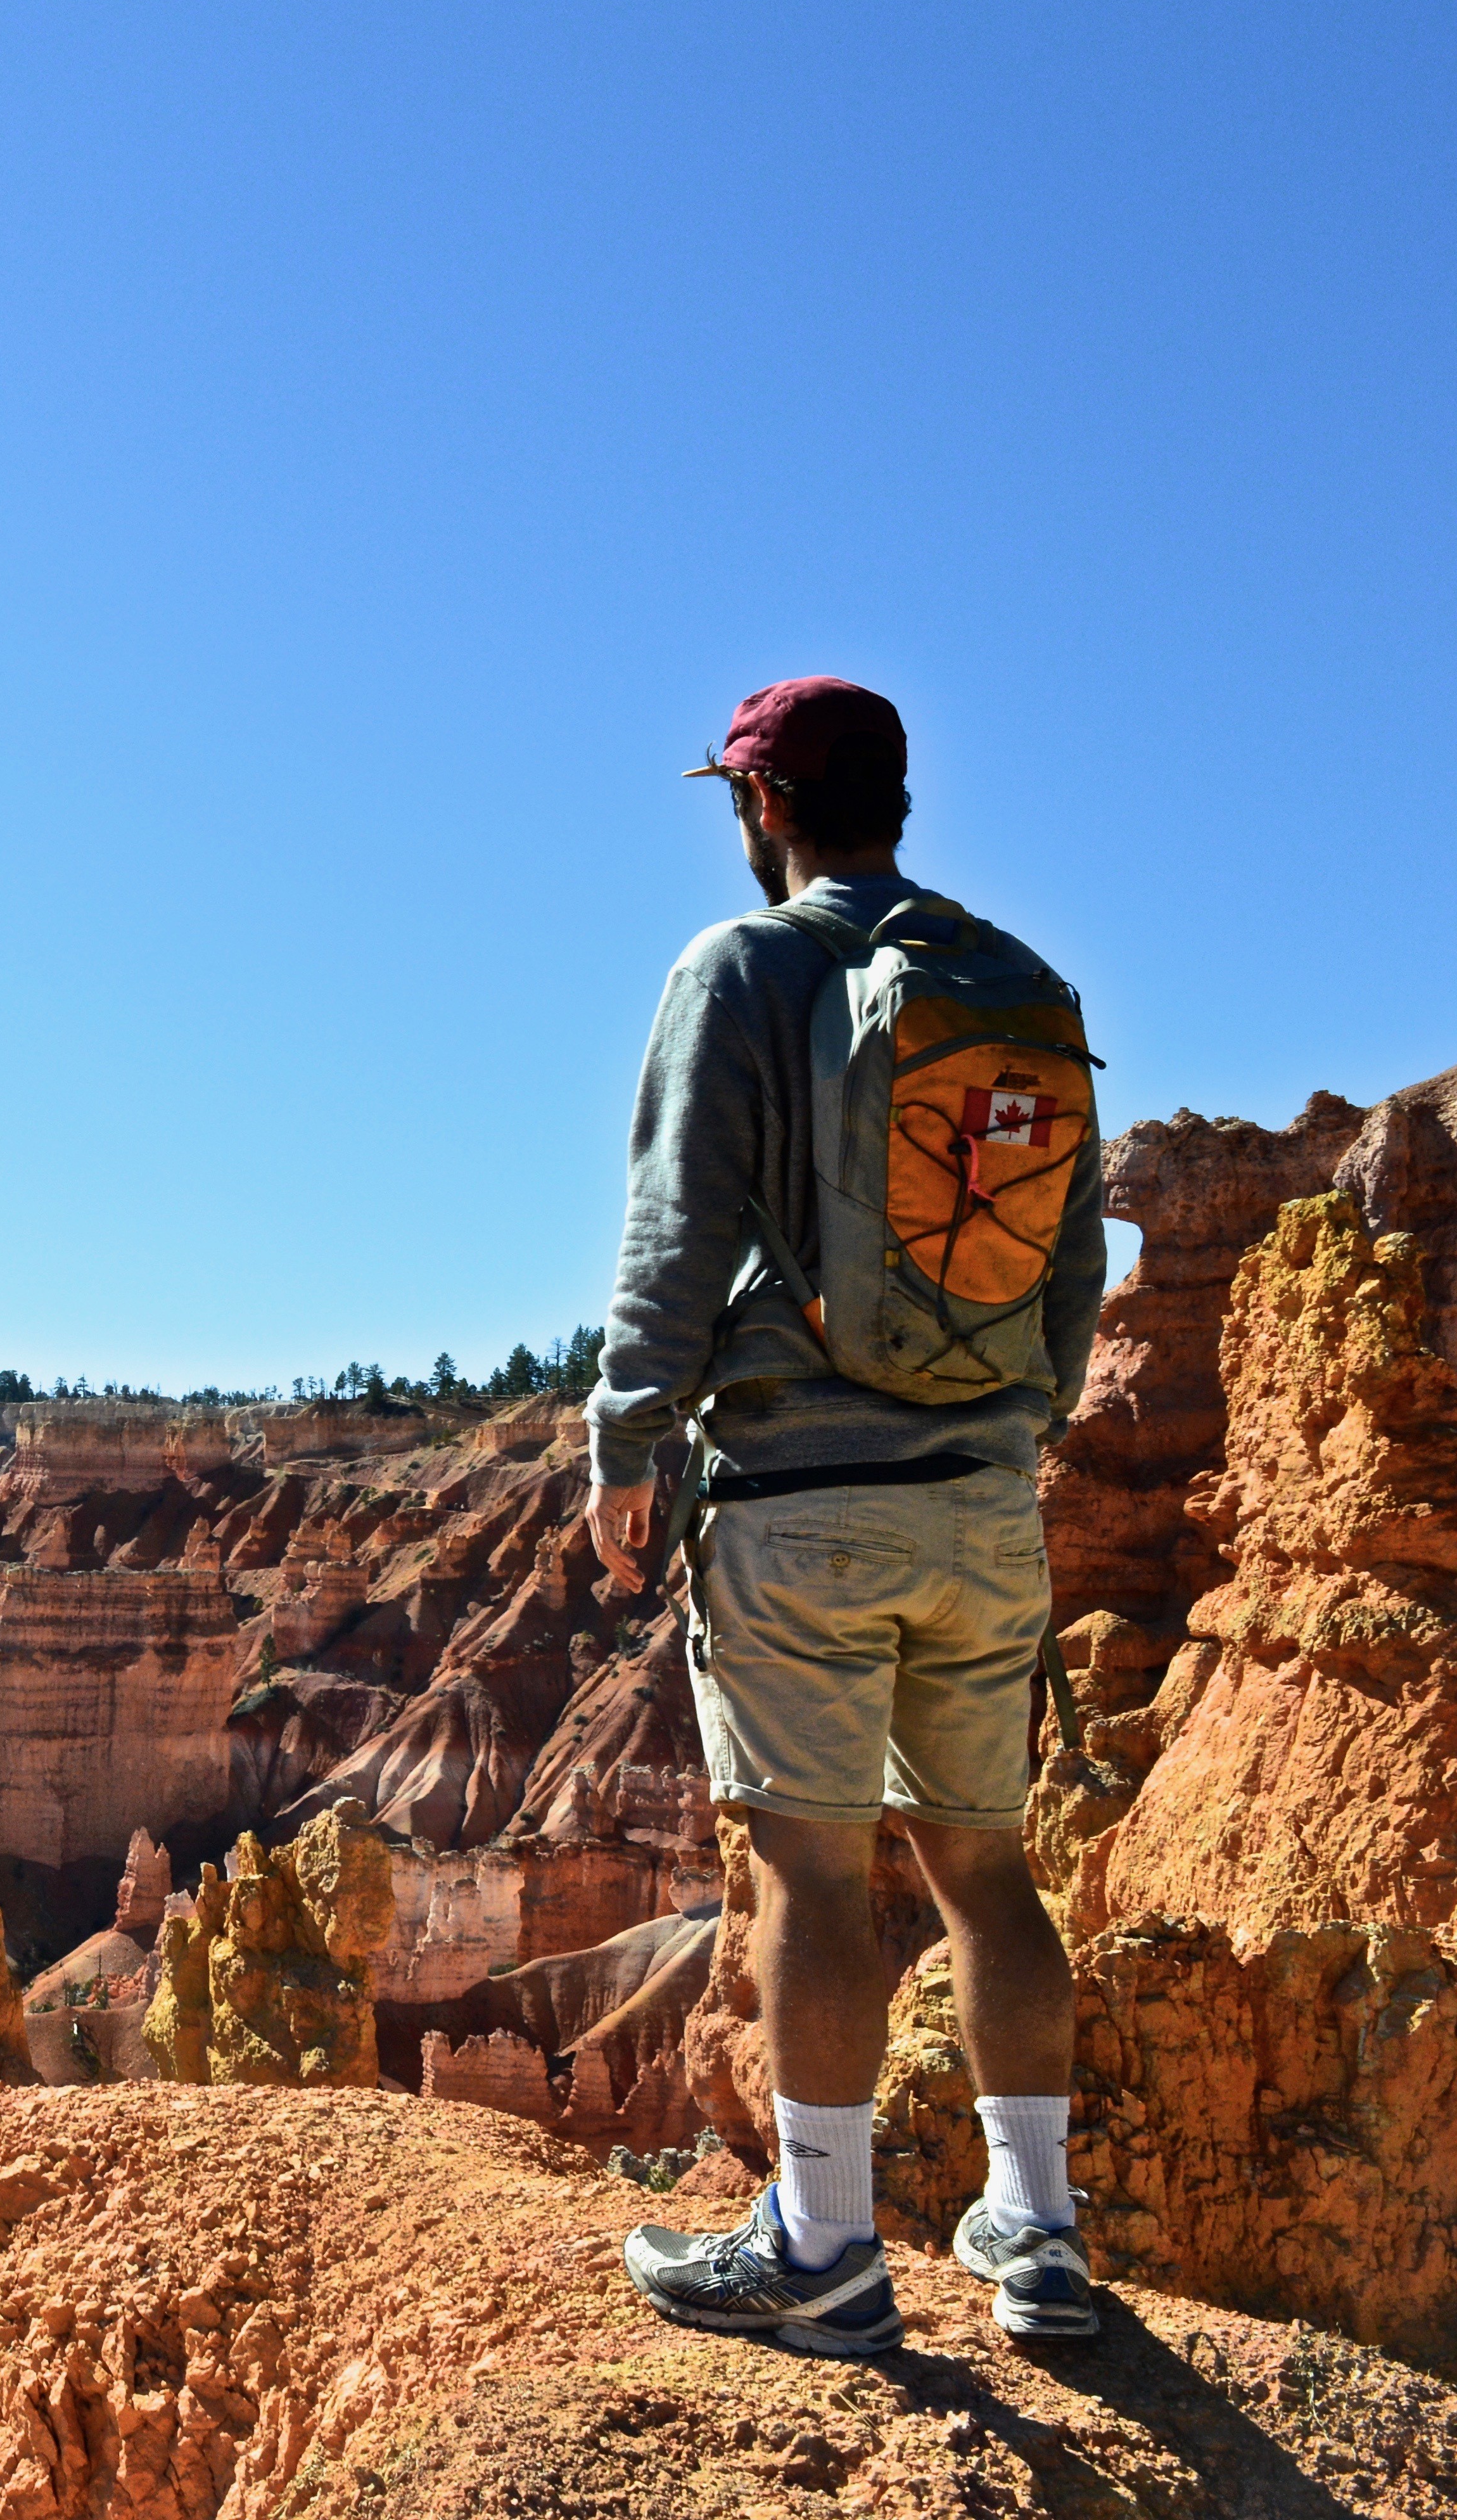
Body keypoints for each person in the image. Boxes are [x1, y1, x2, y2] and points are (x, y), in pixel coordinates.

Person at [585, 676, 1107, 2355]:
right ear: (897, 799)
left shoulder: (738, 969)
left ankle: (823, 2250)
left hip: (804, 1507)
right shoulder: (1017, 991)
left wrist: (624, 1450)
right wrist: (1009, 1431)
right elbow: (1072, 1266)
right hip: (984, 1503)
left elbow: (673, 1243)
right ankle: (1038, 2237)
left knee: (813, 1874)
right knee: (987, 1873)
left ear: (762, 808)